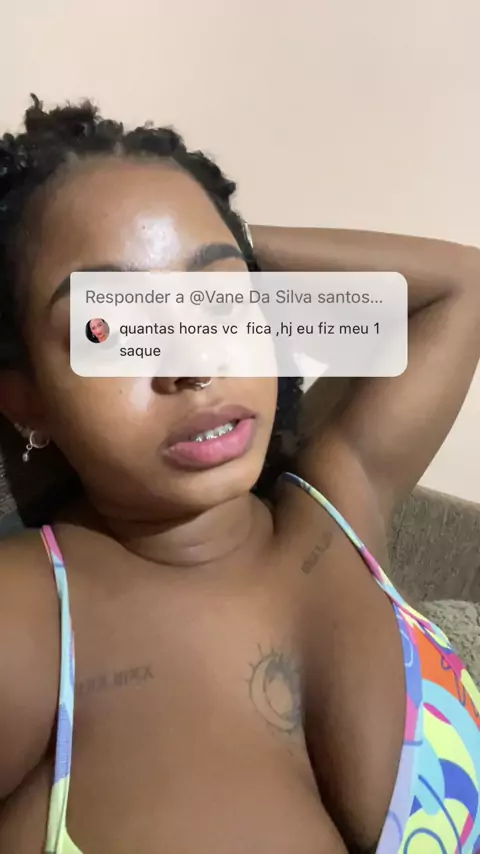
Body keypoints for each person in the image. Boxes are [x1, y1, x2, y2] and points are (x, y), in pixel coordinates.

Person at [0, 96, 478, 854]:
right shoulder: (26, 624)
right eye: (112, 327)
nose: (195, 362)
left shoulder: (338, 504)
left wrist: (239, 241)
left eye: (220, 301)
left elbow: (462, 287)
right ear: (24, 399)